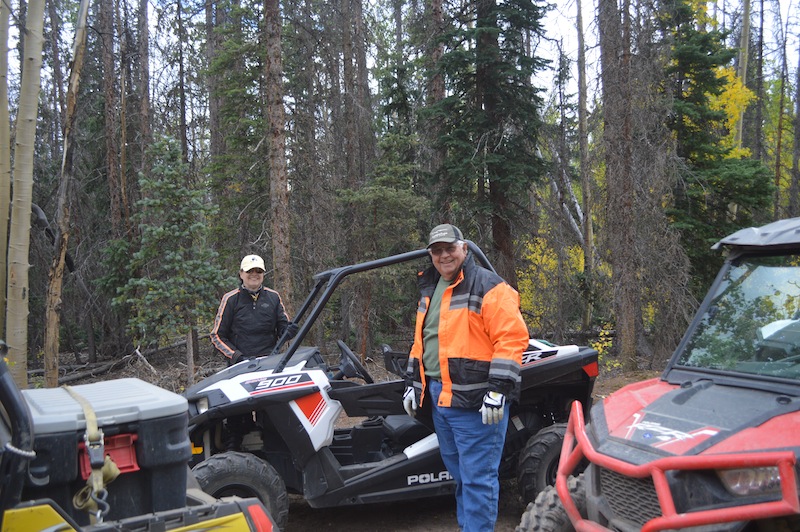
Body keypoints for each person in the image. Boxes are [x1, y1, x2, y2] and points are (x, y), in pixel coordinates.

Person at [403, 224, 529, 532]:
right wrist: (412, 383)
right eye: (437, 250)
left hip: (476, 403)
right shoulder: (430, 289)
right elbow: (424, 342)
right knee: (461, 476)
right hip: (440, 398)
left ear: (464, 249)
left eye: (450, 248)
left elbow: (511, 339)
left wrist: (498, 389)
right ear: (431, 255)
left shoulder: (489, 285)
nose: (444, 255)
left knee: (477, 480)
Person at [210, 254, 297, 365]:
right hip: (239, 365)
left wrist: (290, 331)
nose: (254, 275)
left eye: (258, 271)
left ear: (263, 274)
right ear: (241, 274)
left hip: (269, 362)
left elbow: (283, 328)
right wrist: (237, 357)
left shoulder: (273, 297)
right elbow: (217, 336)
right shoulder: (230, 299)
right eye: (250, 271)